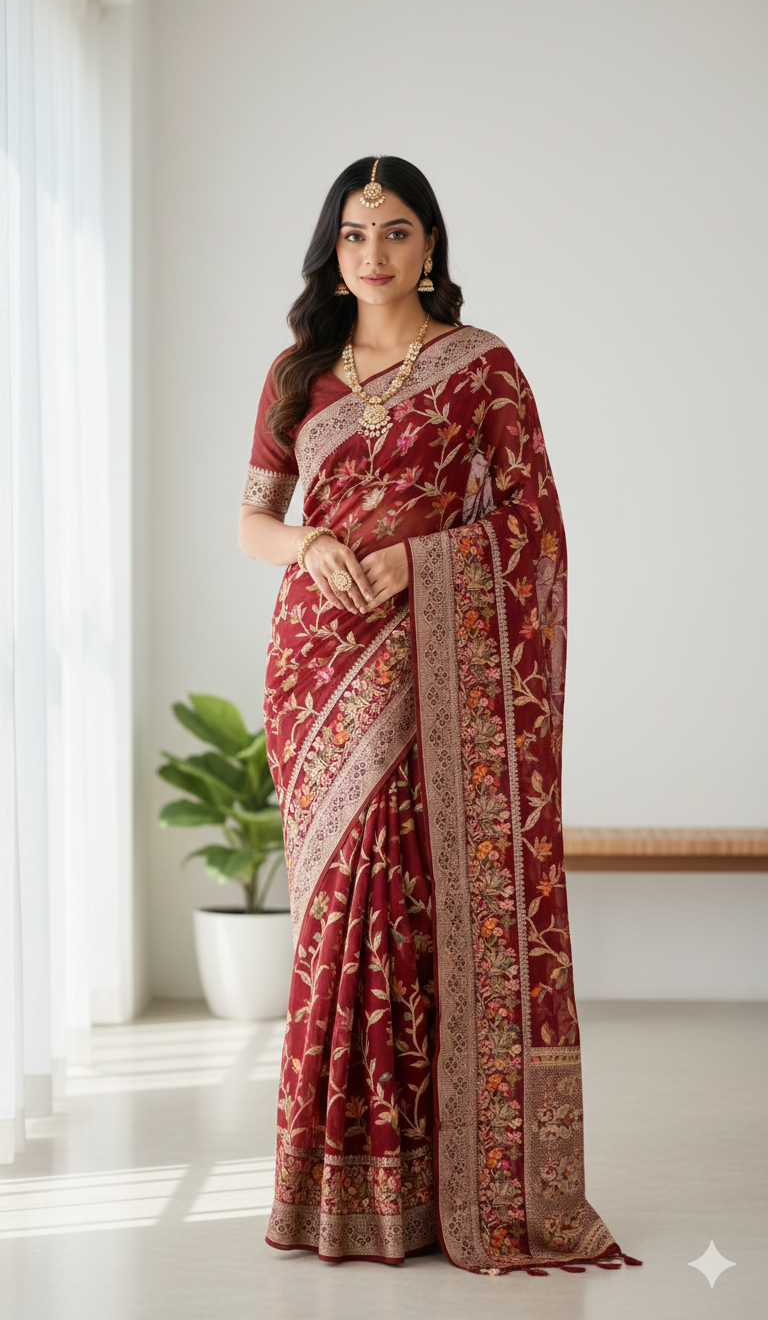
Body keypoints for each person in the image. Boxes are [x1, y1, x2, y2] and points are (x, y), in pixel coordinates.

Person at [238, 156, 642, 1277]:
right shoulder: (297, 374)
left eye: (397, 232)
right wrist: (313, 545)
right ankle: (336, 1183)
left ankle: (441, 1179)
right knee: (338, 912)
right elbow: (253, 521)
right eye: (355, 235)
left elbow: (535, 528)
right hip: (322, 661)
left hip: (432, 658)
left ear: (432, 246)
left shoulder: (482, 370)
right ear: (333, 249)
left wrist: (418, 563)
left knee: (416, 891)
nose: (374, 255)